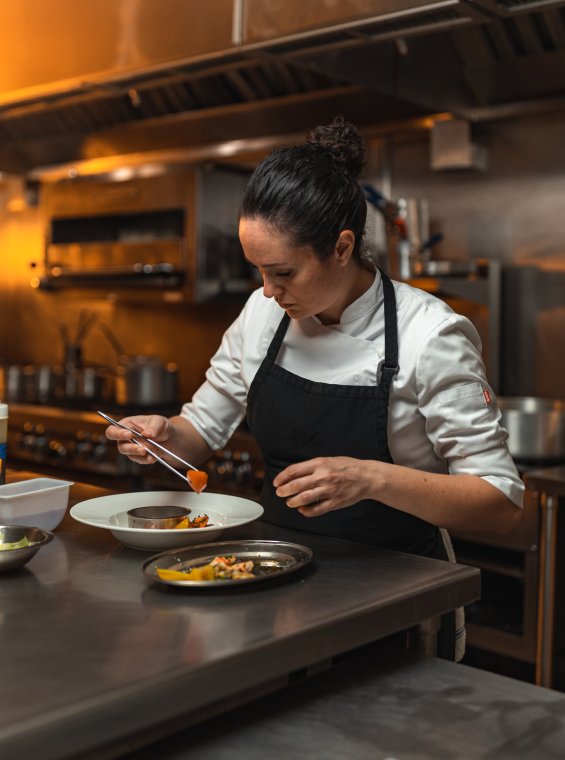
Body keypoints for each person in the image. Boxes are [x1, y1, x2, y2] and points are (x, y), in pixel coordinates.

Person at [105, 116, 523, 659]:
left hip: (395, 595)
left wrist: (370, 478)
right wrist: (162, 435)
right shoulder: (261, 313)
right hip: (269, 584)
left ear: (343, 247)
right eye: (257, 271)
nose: (267, 290)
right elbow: (197, 433)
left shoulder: (430, 334)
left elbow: (500, 502)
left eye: (283, 272)